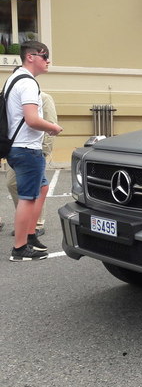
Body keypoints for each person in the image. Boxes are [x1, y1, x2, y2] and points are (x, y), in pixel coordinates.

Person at [4, 41, 63, 261]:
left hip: (19, 147)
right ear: (31, 57)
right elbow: (32, 120)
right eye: (44, 56)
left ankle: (30, 236)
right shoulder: (27, 83)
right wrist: (53, 127)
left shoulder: (14, 79)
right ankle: (19, 249)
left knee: (43, 188)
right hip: (27, 149)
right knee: (28, 198)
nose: (48, 60)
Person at [7, 91, 58, 236]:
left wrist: (44, 150)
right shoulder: (14, 99)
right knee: (12, 184)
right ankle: (24, 221)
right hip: (18, 149)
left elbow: (51, 122)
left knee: (38, 186)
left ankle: (36, 224)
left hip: (35, 150)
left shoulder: (44, 98)